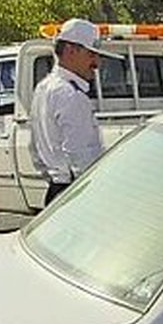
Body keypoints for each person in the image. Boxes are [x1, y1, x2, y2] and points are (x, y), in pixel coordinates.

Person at [30, 18, 117, 206]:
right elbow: (80, 156)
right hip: (76, 192)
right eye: (91, 54)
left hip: (57, 189)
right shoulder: (71, 95)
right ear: (70, 50)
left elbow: (35, 150)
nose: (97, 63)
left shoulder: (44, 88)